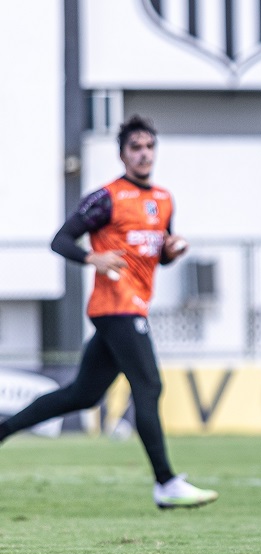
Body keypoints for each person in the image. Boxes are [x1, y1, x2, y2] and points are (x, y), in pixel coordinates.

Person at [0, 115, 219, 510]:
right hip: (116, 307)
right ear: (122, 155)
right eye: (135, 147)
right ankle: (166, 483)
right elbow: (60, 240)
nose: (144, 154)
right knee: (149, 386)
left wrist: (171, 252)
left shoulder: (164, 199)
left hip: (131, 307)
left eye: (149, 147)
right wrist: (92, 258)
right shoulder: (107, 197)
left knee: (82, 395)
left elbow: (157, 255)